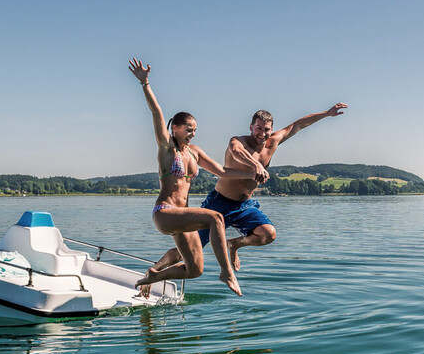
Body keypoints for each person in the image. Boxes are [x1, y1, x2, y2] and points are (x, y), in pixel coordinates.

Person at [146, 101, 348, 275]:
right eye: (258, 128)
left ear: (271, 130)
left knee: (268, 234)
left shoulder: (273, 142)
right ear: (251, 127)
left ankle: (233, 244)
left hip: (244, 205)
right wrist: (255, 165)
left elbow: (298, 125)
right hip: (219, 203)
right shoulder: (238, 141)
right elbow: (236, 153)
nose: (262, 133)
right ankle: (155, 269)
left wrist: (326, 114)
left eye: (266, 129)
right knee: (190, 248)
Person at [128, 58, 264, 297]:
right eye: (189, 129)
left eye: (195, 130)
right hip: (165, 212)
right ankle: (226, 272)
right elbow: (156, 111)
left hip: (183, 217)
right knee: (216, 218)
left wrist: (251, 172)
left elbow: (222, 171)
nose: (193, 134)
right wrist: (145, 83)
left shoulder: (195, 152)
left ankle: (153, 276)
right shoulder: (167, 149)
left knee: (195, 269)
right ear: (175, 129)